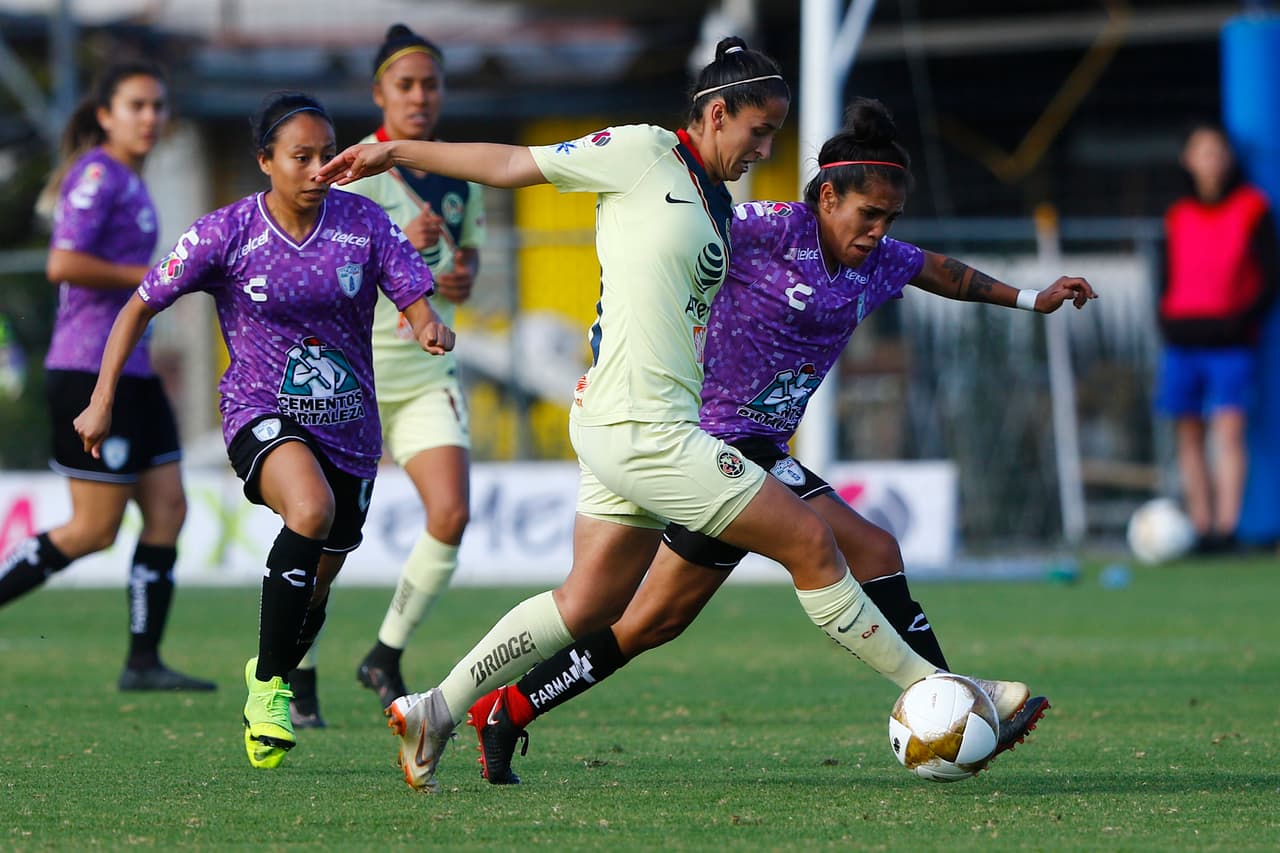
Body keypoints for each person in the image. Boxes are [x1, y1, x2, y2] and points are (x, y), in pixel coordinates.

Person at [319, 37, 1032, 796]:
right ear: (716, 113)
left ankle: (436, 706)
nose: (765, 149)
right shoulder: (641, 152)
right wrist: (396, 152)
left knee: (587, 604)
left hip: (646, 422)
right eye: (759, 131)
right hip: (639, 425)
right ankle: (949, 693)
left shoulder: (717, 201)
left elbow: (909, 265)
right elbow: (513, 165)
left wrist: (1022, 296)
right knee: (812, 541)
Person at [463, 97, 1094, 784]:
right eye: (868, 214)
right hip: (708, 444)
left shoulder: (876, 260)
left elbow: (939, 270)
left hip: (758, 450)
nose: (880, 232)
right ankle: (951, 701)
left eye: (890, 219)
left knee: (649, 624)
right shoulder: (764, 229)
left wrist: (1032, 298)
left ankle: (508, 707)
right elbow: (673, 248)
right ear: (826, 196)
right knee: (867, 547)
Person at [73, 91, 454, 769]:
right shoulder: (227, 232)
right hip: (259, 410)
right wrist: (101, 397)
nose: (317, 168)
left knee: (317, 583)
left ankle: (270, 665)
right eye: (300, 156)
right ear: (265, 162)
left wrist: (426, 322)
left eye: (325, 154)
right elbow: (139, 304)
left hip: (351, 430)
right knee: (310, 508)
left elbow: (412, 290)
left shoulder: (362, 222)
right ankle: (271, 690)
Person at [285, 24, 488, 728]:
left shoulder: (462, 173)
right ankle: (297, 670)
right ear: (380, 94)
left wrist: (457, 272)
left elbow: (462, 282)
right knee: (319, 535)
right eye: (406, 84)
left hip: (427, 372)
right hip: (349, 379)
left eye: (431, 84)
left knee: (452, 513)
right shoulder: (354, 167)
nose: (421, 96)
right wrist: (403, 248)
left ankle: (384, 653)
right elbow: (322, 263)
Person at [0, 61, 215, 692]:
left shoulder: (131, 178)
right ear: (106, 115)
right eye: (137, 106)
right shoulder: (99, 173)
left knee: (168, 509)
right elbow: (63, 263)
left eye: (158, 106)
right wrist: (156, 279)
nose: (151, 117)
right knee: (92, 530)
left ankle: (143, 662)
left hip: (136, 371)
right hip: (88, 368)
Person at [1157, 123, 1277, 554]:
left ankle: (1228, 528)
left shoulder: (1252, 208)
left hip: (1231, 340)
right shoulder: (1178, 214)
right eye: (1201, 151)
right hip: (1183, 339)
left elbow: (1269, 278)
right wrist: (1166, 321)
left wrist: (1241, 322)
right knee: (1188, 433)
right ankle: (1201, 526)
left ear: (1228, 158)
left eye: (1217, 151)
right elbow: (1165, 277)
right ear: (1188, 159)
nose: (1210, 160)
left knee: (1229, 431)